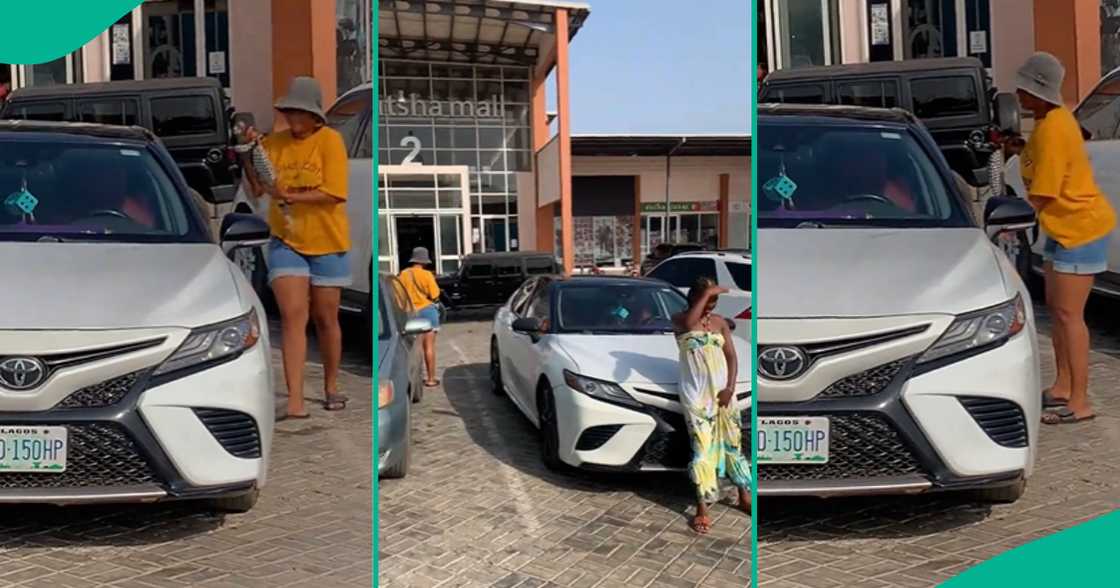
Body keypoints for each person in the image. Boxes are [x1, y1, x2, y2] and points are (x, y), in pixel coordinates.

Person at [1015, 52, 1117, 425]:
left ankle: (1080, 400)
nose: (1018, 95)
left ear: (1040, 92)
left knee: (1071, 316)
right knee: (1057, 311)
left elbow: (1044, 190)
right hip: (1061, 229)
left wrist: (1012, 216)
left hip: (1080, 228)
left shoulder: (1056, 128)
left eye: (1024, 88)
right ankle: (1061, 385)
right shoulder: (1046, 124)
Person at [245, 76, 351, 418]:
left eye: (299, 113)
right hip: (286, 239)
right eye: (288, 113)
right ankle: (295, 401)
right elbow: (259, 189)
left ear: (314, 116)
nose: (292, 120)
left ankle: (331, 385)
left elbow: (335, 192)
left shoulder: (330, 142)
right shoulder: (274, 144)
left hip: (327, 241)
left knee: (325, 318)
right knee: (292, 317)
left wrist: (291, 195)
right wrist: (249, 154)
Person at [672, 277, 751, 534]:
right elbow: (689, 323)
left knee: (733, 443)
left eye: (715, 301)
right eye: (707, 300)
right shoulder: (681, 320)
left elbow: (731, 356)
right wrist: (706, 294)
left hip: (723, 394)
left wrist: (730, 388)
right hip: (696, 395)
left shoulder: (719, 323)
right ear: (695, 297)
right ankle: (703, 506)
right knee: (702, 449)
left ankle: (743, 494)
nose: (710, 307)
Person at [399, 247, 442, 387]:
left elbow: (398, 295)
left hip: (410, 313)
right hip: (428, 311)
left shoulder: (403, 275)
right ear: (425, 261)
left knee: (413, 348)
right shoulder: (427, 275)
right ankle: (430, 379)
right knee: (428, 347)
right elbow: (435, 295)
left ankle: (412, 379)